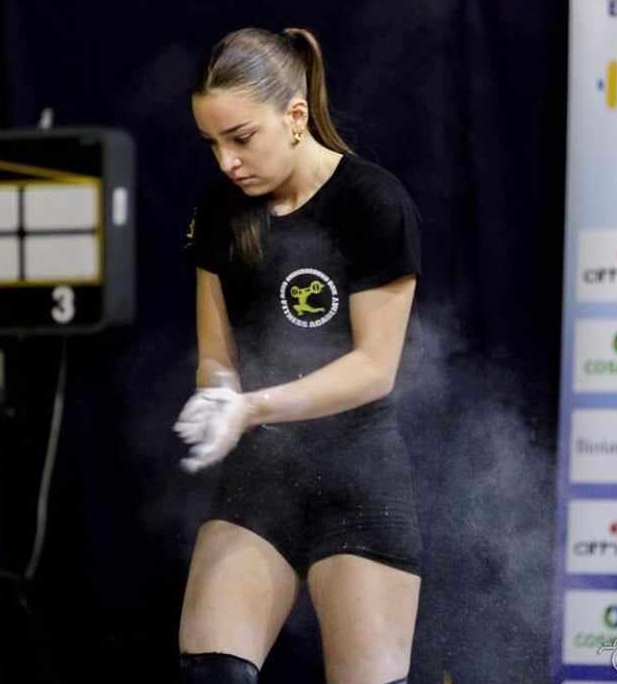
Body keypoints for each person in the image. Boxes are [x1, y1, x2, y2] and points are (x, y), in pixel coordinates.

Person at [175, 26, 423, 684]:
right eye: (212, 143)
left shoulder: (373, 201)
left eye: (241, 138)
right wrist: (216, 394)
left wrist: (250, 407)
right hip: (261, 476)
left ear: (294, 116)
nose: (227, 162)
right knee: (212, 673)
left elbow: (374, 369)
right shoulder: (220, 210)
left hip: (357, 476)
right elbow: (216, 354)